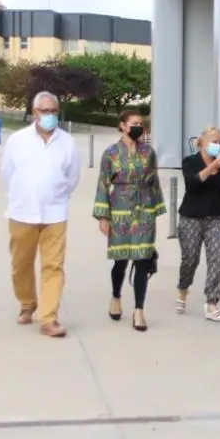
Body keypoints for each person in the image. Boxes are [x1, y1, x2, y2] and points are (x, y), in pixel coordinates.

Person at [1, 91, 81, 338]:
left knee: (53, 266)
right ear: (34, 113)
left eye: (53, 111)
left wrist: (54, 196)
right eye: (44, 111)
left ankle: (48, 318)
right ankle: (27, 303)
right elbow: (7, 175)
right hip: (22, 212)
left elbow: (72, 178)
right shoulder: (17, 140)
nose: (49, 115)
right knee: (20, 264)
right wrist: (22, 196)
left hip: (54, 214)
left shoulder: (67, 142)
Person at [94, 110, 166, 332]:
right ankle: (116, 296)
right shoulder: (111, 153)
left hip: (144, 209)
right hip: (120, 210)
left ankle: (139, 310)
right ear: (123, 126)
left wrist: (156, 209)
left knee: (143, 260)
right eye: (134, 123)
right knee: (121, 260)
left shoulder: (149, 152)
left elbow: (154, 181)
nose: (139, 127)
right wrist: (103, 216)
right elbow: (104, 183)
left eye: (141, 124)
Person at [176, 126, 220, 321]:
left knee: (216, 259)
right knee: (190, 259)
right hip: (191, 217)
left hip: (216, 219)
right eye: (214, 141)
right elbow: (193, 183)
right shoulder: (190, 162)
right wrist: (211, 168)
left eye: (219, 142)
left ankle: (212, 302)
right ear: (203, 142)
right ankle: (183, 288)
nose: (217, 146)